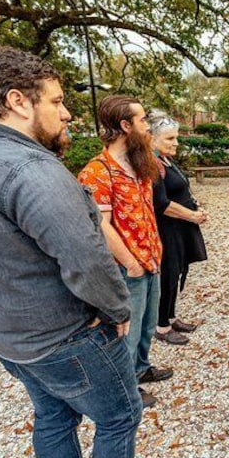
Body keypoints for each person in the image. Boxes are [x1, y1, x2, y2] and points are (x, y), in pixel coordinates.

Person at [0, 46, 177, 458]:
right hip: (65, 337)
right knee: (119, 416)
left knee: (53, 418)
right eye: (56, 101)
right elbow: (87, 258)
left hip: (11, 335)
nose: (67, 111)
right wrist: (118, 310)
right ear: (18, 102)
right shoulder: (31, 171)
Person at [78, 96, 173, 408]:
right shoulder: (97, 171)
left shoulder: (139, 163)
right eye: (142, 120)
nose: (147, 126)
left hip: (151, 260)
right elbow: (101, 226)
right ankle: (126, 388)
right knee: (126, 334)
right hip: (127, 267)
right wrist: (131, 263)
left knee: (147, 323)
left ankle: (141, 369)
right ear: (124, 125)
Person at [148, 114, 208, 345]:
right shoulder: (153, 165)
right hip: (168, 230)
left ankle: (172, 316)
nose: (176, 143)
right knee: (169, 275)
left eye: (176, 137)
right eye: (170, 138)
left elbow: (179, 191)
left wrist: (196, 207)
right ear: (152, 139)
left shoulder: (166, 160)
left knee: (180, 271)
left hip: (181, 228)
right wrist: (192, 215)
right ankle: (162, 326)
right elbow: (161, 203)